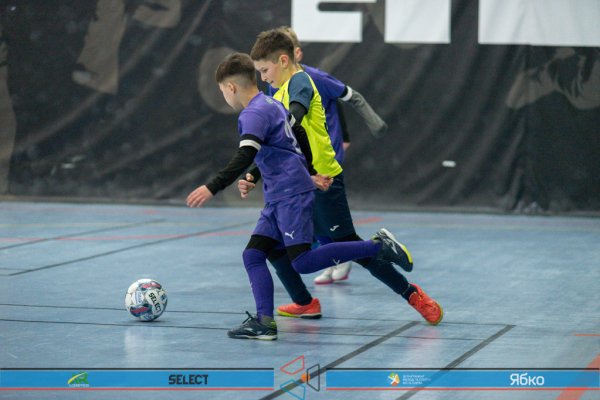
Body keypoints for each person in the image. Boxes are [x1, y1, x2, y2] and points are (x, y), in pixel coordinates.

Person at [187, 52, 415, 340]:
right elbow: (298, 133)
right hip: (279, 195)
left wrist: (213, 186)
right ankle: (264, 323)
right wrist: (310, 171)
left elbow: (246, 154)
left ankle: (377, 247)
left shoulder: (252, 113)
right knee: (253, 254)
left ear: (230, 87)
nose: (224, 96)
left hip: (290, 194)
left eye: (222, 91)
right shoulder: (272, 103)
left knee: (302, 262)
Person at [245, 30, 442, 325]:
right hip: (294, 185)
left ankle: (411, 292)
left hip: (322, 180)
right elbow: (281, 144)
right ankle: (304, 303)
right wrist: (254, 172)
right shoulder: (277, 89)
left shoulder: (302, 82)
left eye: (264, 70)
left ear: (285, 59)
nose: (262, 78)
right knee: (271, 245)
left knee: (351, 247)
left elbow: (295, 117)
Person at [269, 26, 389, 287]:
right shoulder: (274, 84)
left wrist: (369, 125)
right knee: (312, 218)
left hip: (324, 160)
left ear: (295, 54)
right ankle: (334, 257)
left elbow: (344, 98)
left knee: (329, 218)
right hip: (298, 163)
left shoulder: (315, 78)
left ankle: (348, 253)